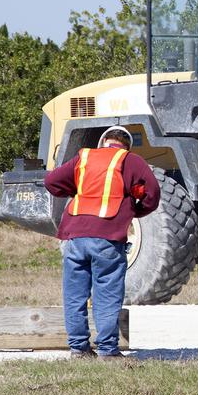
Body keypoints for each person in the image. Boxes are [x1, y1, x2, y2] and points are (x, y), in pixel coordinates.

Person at [44, 125, 160, 359]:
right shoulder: (130, 161)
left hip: (75, 237)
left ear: (103, 142)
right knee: (107, 293)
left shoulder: (84, 157)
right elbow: (152, 195)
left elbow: (51, 182)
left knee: (75, 295)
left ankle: (78, 349)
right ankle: (107, 350)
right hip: (107, 237)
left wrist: (78, 191)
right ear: (126, 146)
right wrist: (133, 211)